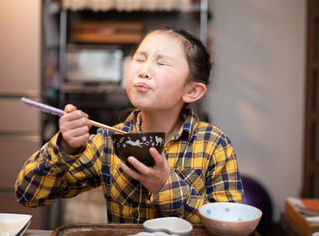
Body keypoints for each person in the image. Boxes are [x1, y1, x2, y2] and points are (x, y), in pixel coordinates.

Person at [15, 26, 243, 224]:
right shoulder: (107, 143)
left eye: (161, 62)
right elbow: (28, 194)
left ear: (192, 90)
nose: (144, 71)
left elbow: (231, 223)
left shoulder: (213, 144)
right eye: (139, 58)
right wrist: (64, 147)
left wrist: (165, 186)